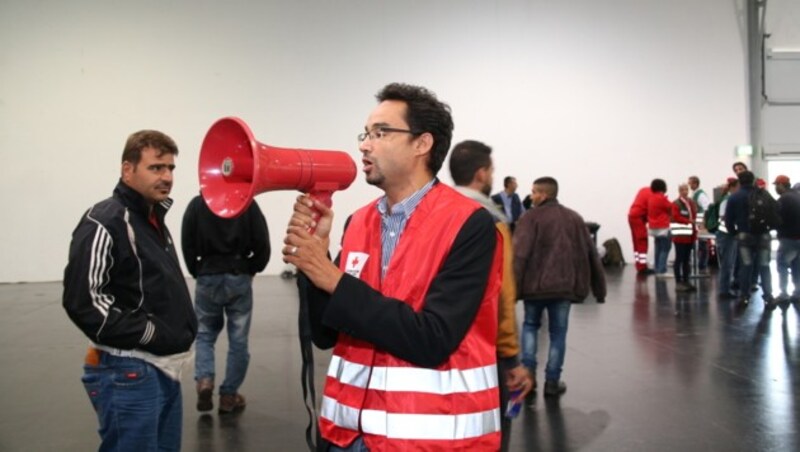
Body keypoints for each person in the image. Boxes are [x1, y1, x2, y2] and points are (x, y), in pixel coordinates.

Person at [282, 83, 503, 451]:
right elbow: (326, 334)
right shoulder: (359, 221)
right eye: (365, 133)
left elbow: (432, 339)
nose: (364, 145)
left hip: (426, 438)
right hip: (347, 433)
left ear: (422, 144)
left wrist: (331, 277)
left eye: (380, 133)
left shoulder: (469, 225)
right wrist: (312, 262)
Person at [62, 130, 197, 451]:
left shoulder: (152, 219)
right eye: (156, 168)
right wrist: (150, 333)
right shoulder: (105, 220)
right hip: (129, 371)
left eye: (171, 168)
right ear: (127, 170)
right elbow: (85, 303)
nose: (166, 177)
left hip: (163, 368)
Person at [448, 140, 534, 450]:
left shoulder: (430, 211)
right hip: (480, 352)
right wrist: (511, 359)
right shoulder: (490, 219)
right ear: (482, 174)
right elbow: (502, 295)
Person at [514, 177, 606, 399]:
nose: (531, 196)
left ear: (544, 194)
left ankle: (528, 379)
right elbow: (592, 254)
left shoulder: (530, 218)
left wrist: (512, 289)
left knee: (529, 327)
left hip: (534, 288)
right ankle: (552, 383)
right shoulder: (574, 218)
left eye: (534, 192)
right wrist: (599, 289)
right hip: (564, 287)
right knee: (558, 334)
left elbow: (519, 255)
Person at [181, 195, 270, 414]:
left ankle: (204, 381)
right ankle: (229, 395)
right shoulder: (246, 202)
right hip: (238, 274)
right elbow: (262, 242)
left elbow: (187, 242)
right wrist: (252, 267)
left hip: (208, 274)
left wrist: (197, 270)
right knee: (238, 340)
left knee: (204, 334)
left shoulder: (197, 204)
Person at [724, 170, 775, 307]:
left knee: (746, 266)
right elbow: (775, 211)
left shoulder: (734, 197)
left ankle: (744, 296)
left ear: (739, 181)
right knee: (764, 265)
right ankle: (768, 296)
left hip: (744, 234)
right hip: (763, 234)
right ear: (753, 180)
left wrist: (734, 232)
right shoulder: (763, 194)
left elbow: (728, 219)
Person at [773, 175, 800, 305]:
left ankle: (783, 294)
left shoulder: (783, 199)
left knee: (782, 265)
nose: (775, 188)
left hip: (788, 238)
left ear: (781, 185)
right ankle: (798, 292)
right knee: (797, 266)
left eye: (776, 185)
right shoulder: (797, 196)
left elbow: (777, 219)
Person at [671, 183, 698, 292]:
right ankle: (678, 282)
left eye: (686, 189)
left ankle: (686, 281)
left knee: (687, 259)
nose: (685, 192)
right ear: (679, 191)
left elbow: (694, 215)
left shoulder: (691, 202)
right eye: (682, 190)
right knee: (679, 259)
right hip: (680, 236)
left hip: (690, 235)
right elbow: (676, 216)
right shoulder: (676, 203)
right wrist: (688, 221)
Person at [716, 178, 740, 299]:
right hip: (726, 235)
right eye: (738, 187)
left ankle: (726, 288)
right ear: (732, 187)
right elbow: (724, 217)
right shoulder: (727, 200)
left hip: (729, 235)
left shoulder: (729, 199)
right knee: (727, 263)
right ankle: (724, 290)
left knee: (730, 262)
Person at [628, 182, 656, 274]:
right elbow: (652, 211)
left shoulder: (644, 189)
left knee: (636, 242)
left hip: (631, 216)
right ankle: (642, 267)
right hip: (639, 218)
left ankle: (638, 264)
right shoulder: (653, 195)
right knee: (642, 241)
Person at [647, 179, 672, 276]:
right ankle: (662, 270)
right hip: (663, 228)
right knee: (665, 248)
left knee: (658, 249)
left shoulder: (651, 198)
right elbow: (671, 207)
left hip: (653, 228)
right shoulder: (662, 198)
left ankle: (657, 269)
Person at [688, 176, 711, 271]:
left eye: (691, 183)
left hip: (701, 221)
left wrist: (703, 222)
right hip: (697, 221)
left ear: (696, 184)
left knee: (702, 243)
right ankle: (700, 263)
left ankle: (703, 264)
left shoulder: (700, 195)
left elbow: (707, 207)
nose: (689, 185)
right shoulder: (694, 194)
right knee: (699, 243)